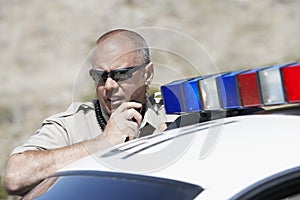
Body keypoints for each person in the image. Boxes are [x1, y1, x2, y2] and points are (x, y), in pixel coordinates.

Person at [4, 29, 169, 196]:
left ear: (148, 74)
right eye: (100, 76)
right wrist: (102, 142)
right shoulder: (74, 124)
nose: (110, 85)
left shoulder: (168, 113)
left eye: (121, 74)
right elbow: (15, 176)